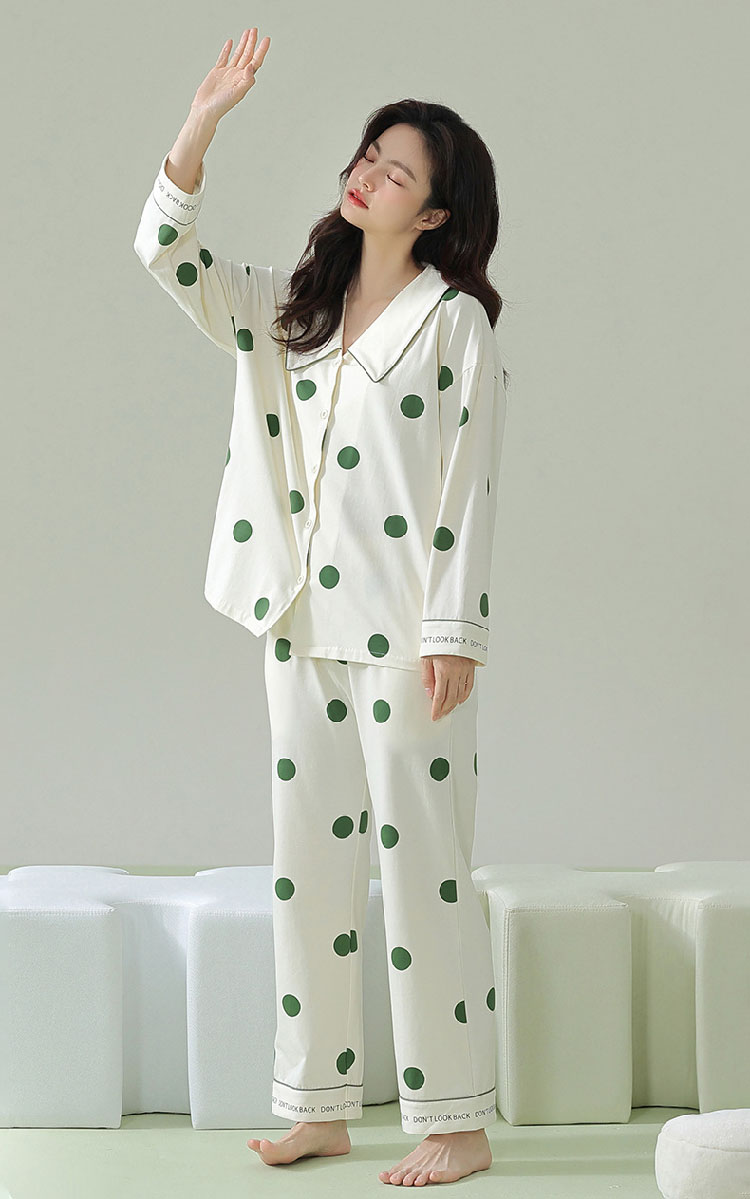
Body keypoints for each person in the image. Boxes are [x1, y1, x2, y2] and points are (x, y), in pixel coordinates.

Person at [133, 27, 510, 1186]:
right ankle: (318, 1103)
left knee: (425, 873)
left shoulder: (452, 323)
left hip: (408, 639)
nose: (367, 175)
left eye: (397, 172)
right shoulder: (290, 309)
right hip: (296, 622)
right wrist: (201, 123)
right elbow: (163, 251)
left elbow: (469, 483)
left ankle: (456, 1116)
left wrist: (454, 631)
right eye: (367, 156)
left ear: (434, 214)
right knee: (308, 871)